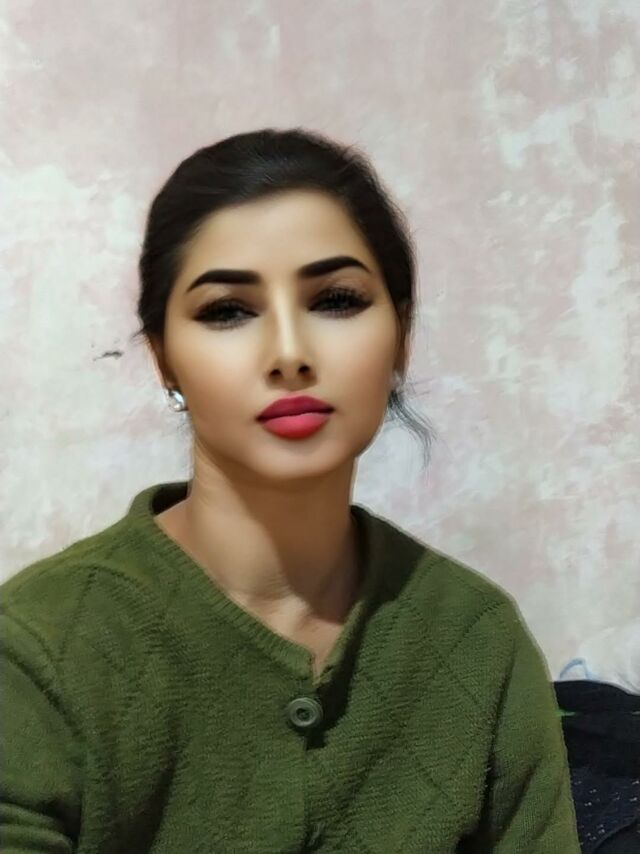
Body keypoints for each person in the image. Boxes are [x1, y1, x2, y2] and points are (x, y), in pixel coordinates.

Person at [0, 128, 581, 852]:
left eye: (336, 300)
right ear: (163, 360)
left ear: (401, 337)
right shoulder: (37, 650)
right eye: (227, 310)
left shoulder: (478, 641)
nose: (289, 354)